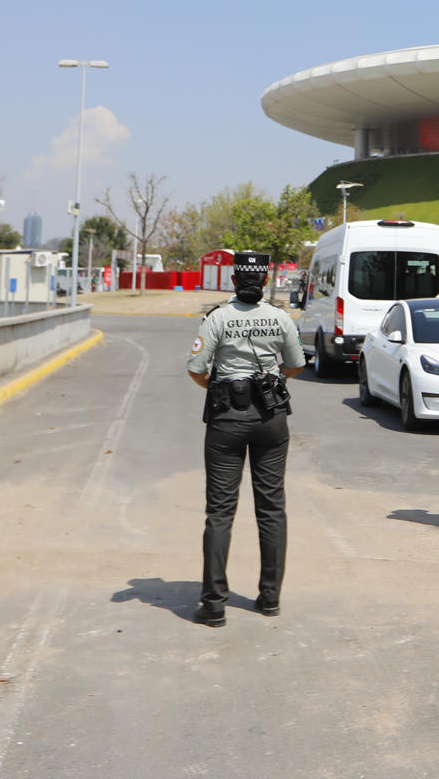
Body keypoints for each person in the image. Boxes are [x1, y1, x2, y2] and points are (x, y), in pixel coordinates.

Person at [187, 250, 304, 626]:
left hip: (226, 420)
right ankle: (270, 598)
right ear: (265, 280)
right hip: (271, 419)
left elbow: (196, 370)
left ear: (234, 281)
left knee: (220, 512)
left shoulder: (217, 318)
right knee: (272, 509)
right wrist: (269, 384)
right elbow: (296, 364)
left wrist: (223, 386)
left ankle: (215, 605)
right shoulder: (281, 318)